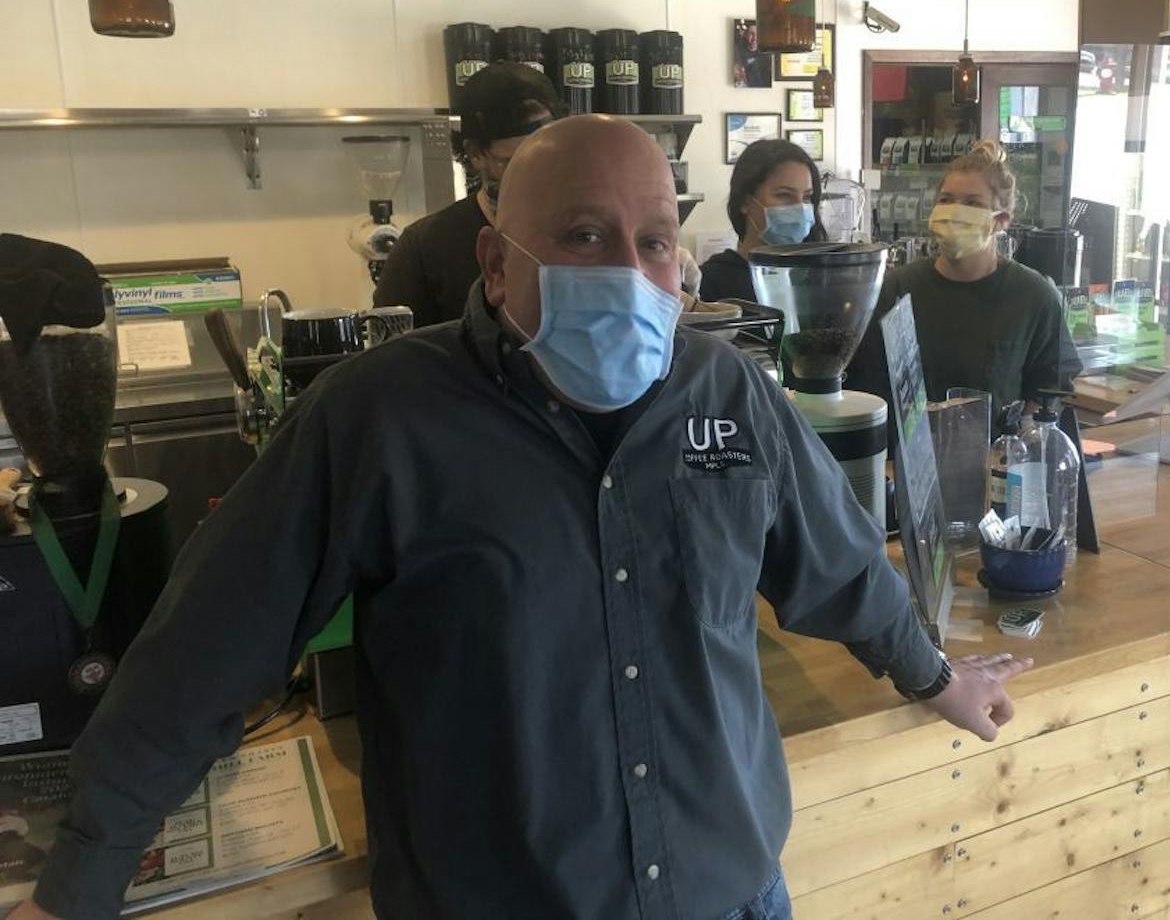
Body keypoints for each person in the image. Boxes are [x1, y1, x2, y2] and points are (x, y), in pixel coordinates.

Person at [11, 116, 1030, 920]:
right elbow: (205, 648)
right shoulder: (381, 418)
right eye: (582, 236)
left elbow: (839, 563)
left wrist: (933, 673)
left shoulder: (725, 395)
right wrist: (84, 877)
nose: (628, 270)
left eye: (653, 241)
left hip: (729, 895)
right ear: (496, 267)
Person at [847, 140, 1082, 415]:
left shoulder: (1033, 296)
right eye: (946, 200)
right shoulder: (897, 288)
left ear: (1001, 220)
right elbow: (866, 384)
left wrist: (1017, 440)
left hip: (995, 453)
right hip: (903, 454)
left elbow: (1050, 386)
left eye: (972, 203)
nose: (955, 211)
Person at [372, 60, 564, 327]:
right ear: (475, 154)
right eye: (513, 162)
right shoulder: (425, 247)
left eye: (547, 158)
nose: (536, 176)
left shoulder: (589, 230)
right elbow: (392, 355)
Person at [699, 138, 828, 304]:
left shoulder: (819, 277)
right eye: (784, 195)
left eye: (807, 197)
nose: (799, 208)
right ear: (745, 202)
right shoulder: (712, 282)